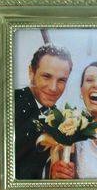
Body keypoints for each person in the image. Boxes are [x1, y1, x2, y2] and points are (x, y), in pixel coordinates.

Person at [13, 44, 75, 179]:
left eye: (61, 80)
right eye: (46, 76)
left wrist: (53, 173)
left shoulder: (59, 119)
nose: (53, 88)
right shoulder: (8, 104)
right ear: (31, 72)